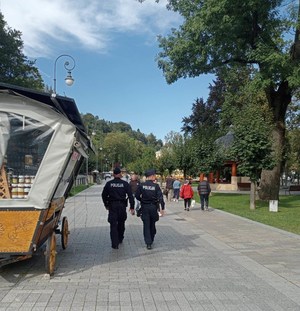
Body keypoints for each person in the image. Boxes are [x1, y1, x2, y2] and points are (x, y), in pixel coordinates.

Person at [101, 167, 135, 249]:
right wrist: (132, 207)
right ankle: (120, 238)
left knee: (113, 224)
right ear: (120, 174)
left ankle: (114, 243)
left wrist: (106, 204)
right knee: (121, 223)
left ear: (113, 174)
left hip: (112, 206)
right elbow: (130, 196)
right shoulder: (125, 184)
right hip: (122, 206)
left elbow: (103, 195)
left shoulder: (109, 184)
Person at [135, 169, 165, 250]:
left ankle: (148, 243)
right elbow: (161, 198)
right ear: (151, 176)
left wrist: (142, 200)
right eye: (154, 175)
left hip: (144, 207)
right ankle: (151, 238)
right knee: (152, 224)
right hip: (153, 207)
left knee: (146, 225)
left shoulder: (141, 185)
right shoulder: (156, 186)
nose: (155, 176)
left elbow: (137, 196)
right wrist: (162, 208)